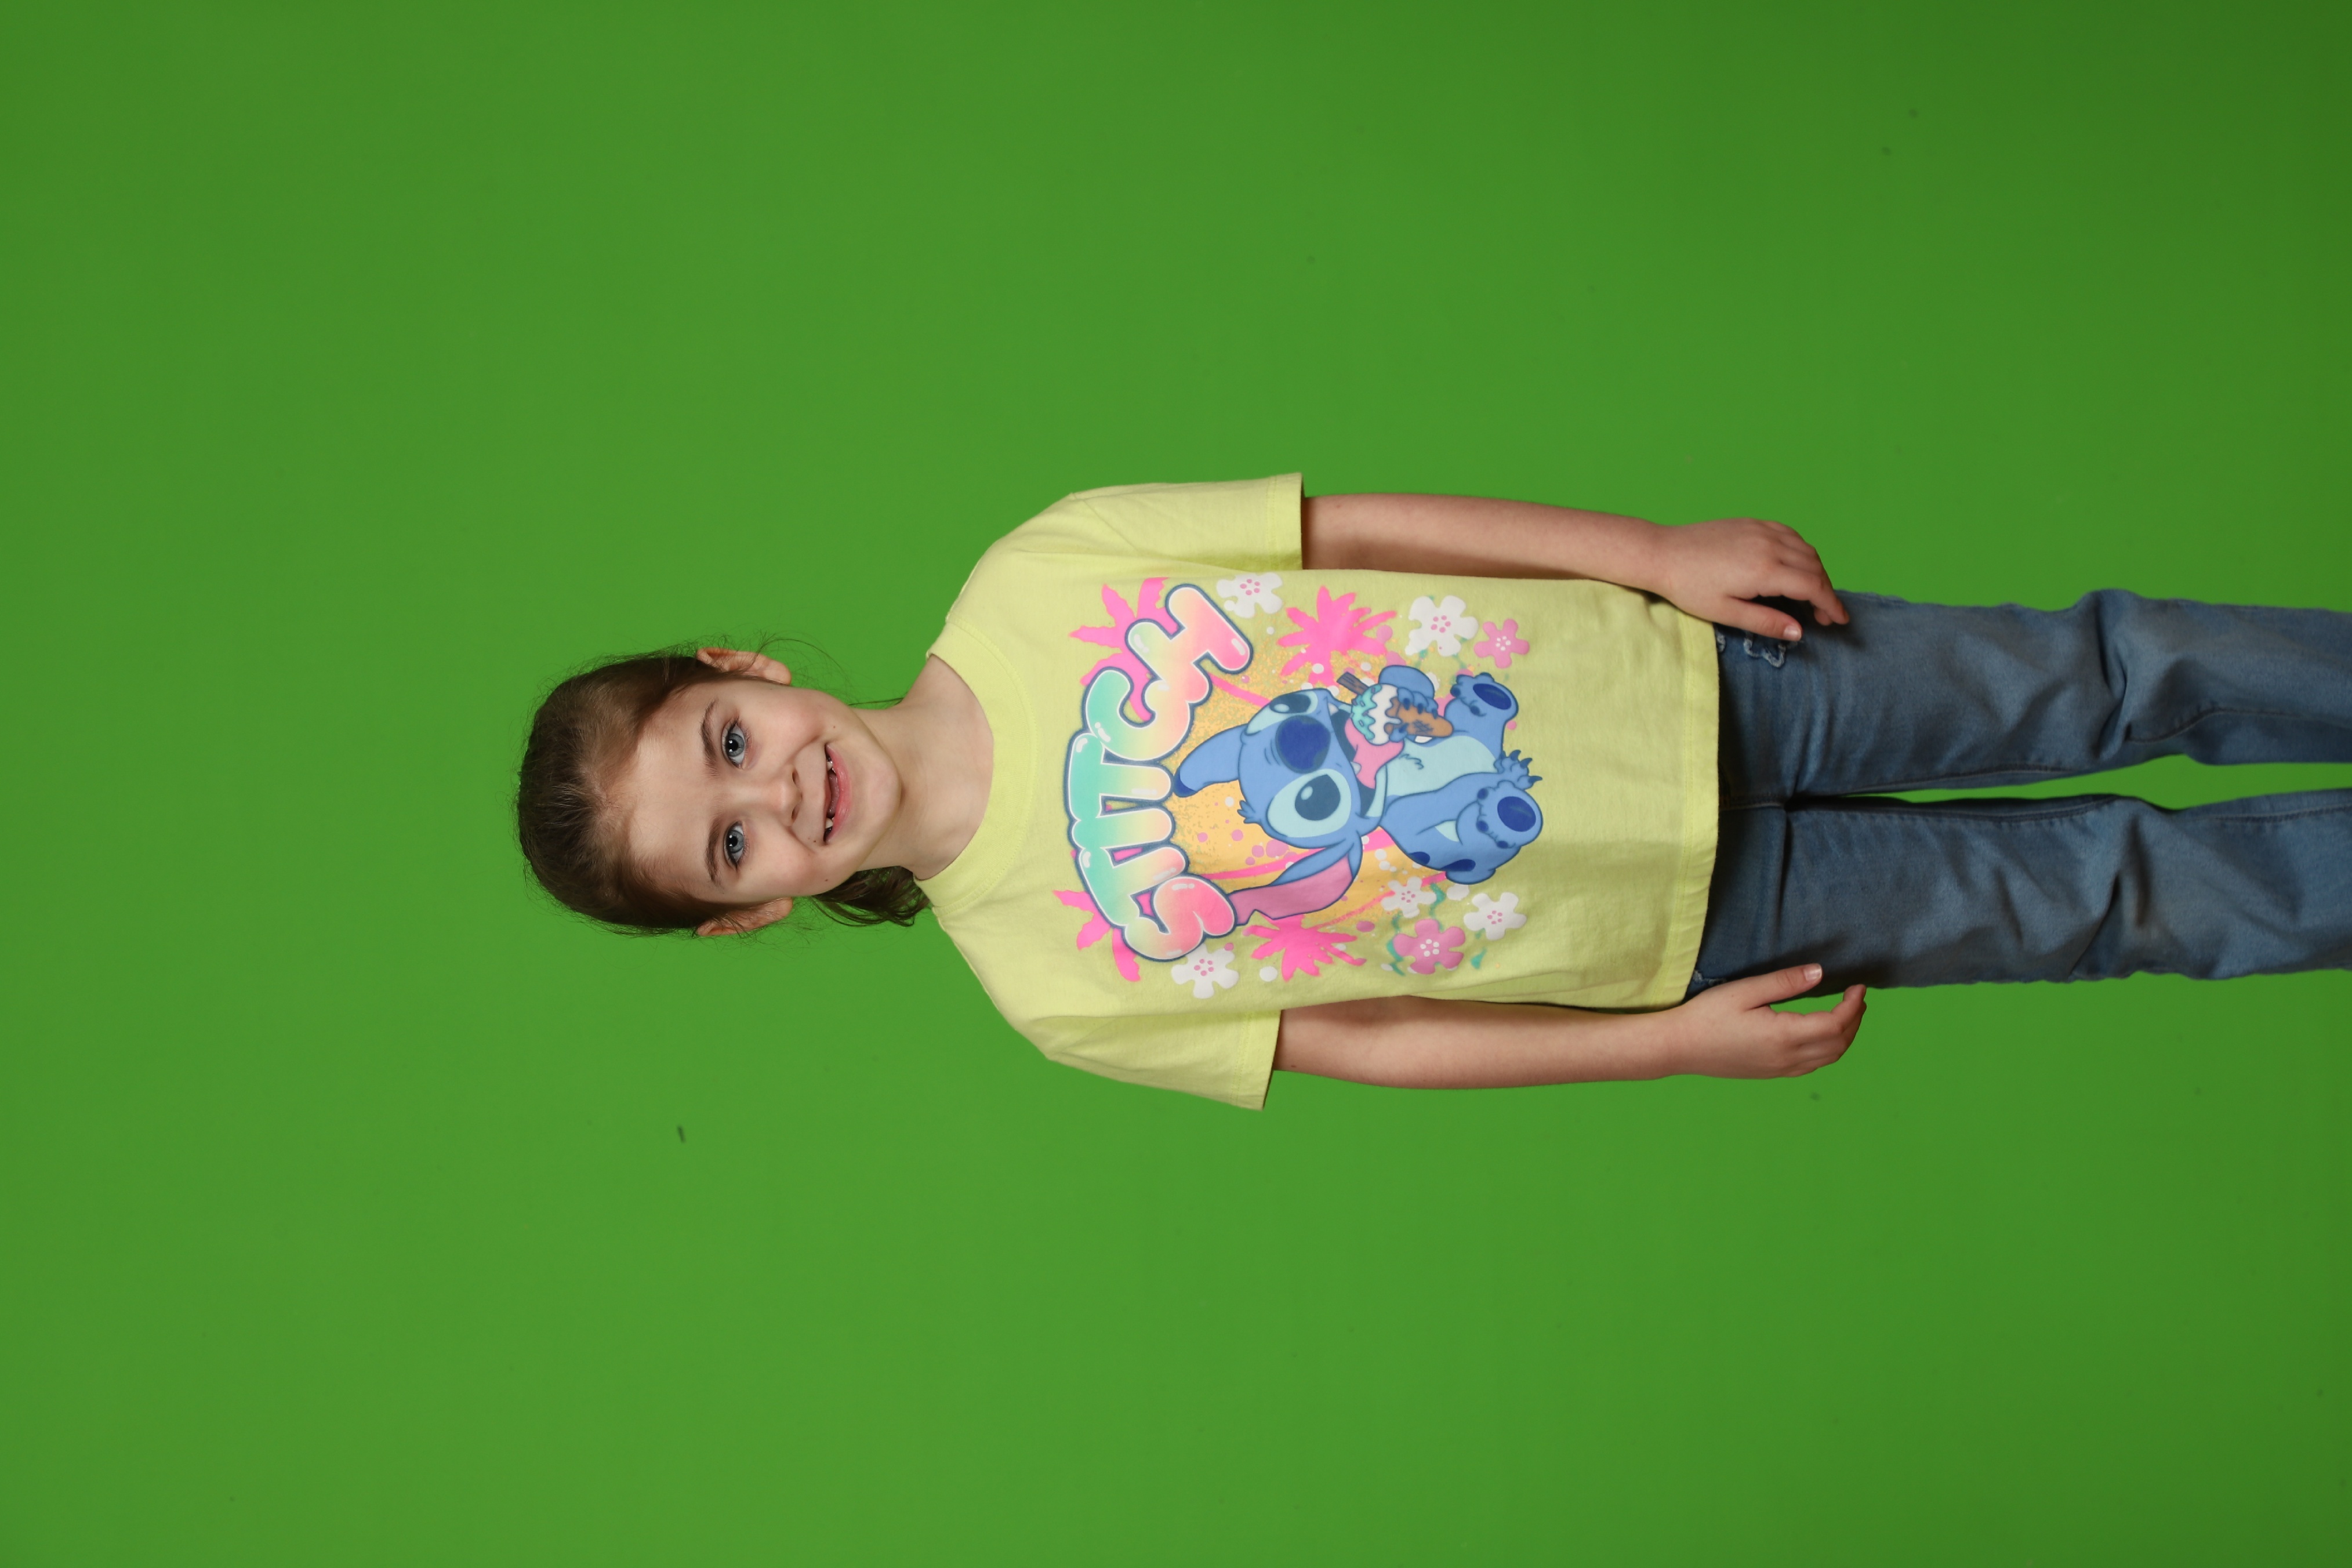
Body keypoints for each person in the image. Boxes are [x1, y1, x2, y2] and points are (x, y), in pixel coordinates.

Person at [515, 476, 2352, 1109]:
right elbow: (1372, 1041)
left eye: (727, 742)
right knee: (2111, 902)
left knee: (2101, 675)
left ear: (739, 668)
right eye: (730, 847)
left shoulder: (1038, 572)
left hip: (1703, 675)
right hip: (1695, 931)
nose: (781, 794)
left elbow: (1355, 527)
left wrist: (1649, 554)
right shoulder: (1045, 987)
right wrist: (1660, 1048)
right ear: (751, 911)